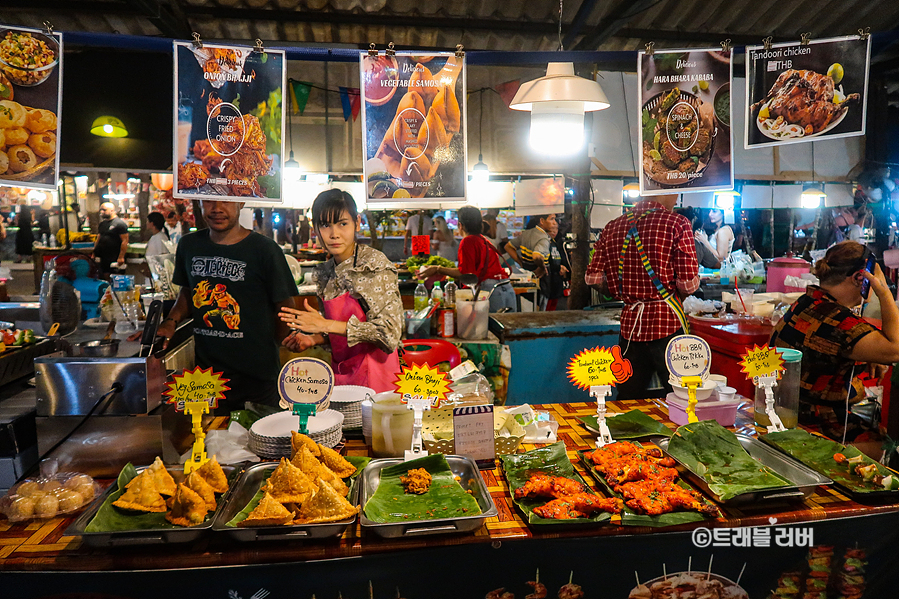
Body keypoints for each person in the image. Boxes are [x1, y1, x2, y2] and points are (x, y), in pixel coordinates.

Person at [157, 200, 299, 413]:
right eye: (209, 202)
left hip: (257, 377)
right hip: (208, 376)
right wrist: (171, 321)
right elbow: (188, 292)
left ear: (240, 202)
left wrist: (267, 346)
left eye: (225, 201)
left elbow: (285, 307)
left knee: (264, 442)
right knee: (211, 440)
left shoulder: (265, 249)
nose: (217, 209)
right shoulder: (189, 245)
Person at [770, 241, 899, 442]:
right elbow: (896, 350)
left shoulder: (807, 302)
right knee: (887, 446)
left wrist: (870, 355)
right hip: (819, 427)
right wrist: (884, 292)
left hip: (787, 411)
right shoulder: (839, 321)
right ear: (860, 278)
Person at [279, 189, 402, 392]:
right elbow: (341, 334)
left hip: (378, 383)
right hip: (342, 379)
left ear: (357, 222)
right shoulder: (324, 273)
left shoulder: (374, 265)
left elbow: (389, 334)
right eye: (325, 225)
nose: (334, 234)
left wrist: (325, 324)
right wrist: (314, 338)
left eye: (342, 224)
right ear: (315, 228)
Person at [586, 194, 699, 399]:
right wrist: (671, 298)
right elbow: (688, 284)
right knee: (680, 396)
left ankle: (623, 429)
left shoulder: (612, 226)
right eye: (675, 193)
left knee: (629, 395)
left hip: (630, 328)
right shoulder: (677, 223)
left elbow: (593, 278)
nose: (676, 200)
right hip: (667, 325)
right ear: (664, 192)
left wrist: (619, 292)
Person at [417, 206, 517, 313]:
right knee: (506, 327)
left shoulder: (467, 241)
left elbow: (465, 273)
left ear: (460, 225)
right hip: (506, 288)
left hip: (491, 291)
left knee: (487, 328)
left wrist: (437, 269)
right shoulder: (484, 239)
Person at [505, 214, 557, 279]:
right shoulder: (543, 238)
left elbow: (508, 247)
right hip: (540, 277)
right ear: (542, 221)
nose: (555, 223)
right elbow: (537, 257)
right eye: (552, 219)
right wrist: (542, 268)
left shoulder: (526, 233)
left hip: (527, 275)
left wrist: (521, 263)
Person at [92, 202, 129, 274]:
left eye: (104, 210)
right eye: (101, 210)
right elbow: (99, 238)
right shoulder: (102, 224)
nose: (102, 212)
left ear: (112, 210)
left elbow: (125, 241)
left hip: (114, 256)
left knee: (115, 276)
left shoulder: (120, 224)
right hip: (104, 257)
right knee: (104, 275)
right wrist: (94, 253)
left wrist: (121, 256)